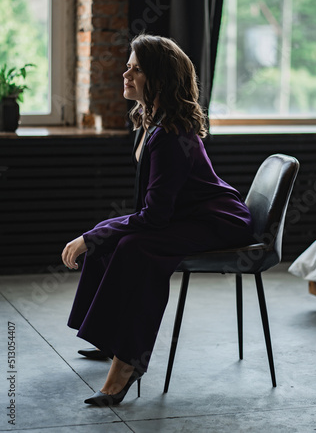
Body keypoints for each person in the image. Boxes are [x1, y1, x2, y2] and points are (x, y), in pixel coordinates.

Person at [62, 34, 254, 406]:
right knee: (117, 238)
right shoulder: (150, 120)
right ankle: (110, 338)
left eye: (136, 68)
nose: (125, 73)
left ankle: (126, 365)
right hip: (189, 214)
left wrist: (92, 236)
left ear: (159, 79)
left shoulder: (169, 134)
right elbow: (155, 209)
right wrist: (101, 235)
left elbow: (153, 216)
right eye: (128, 66)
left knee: (136, 247)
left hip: (217, 220)